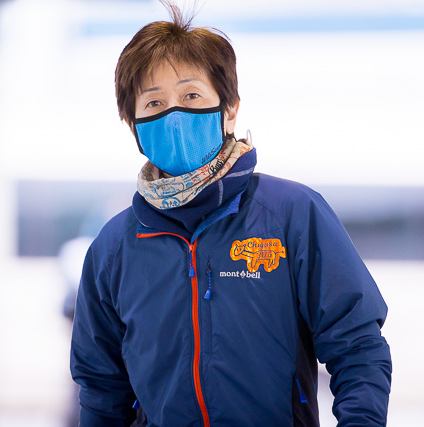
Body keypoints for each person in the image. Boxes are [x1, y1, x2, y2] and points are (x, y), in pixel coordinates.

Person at [70, 2, 392, 426]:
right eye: (154, 102)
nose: (174, 115)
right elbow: (101, 390)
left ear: (230, 108)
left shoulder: (291, 215)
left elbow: (358, 349)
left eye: (191, 95)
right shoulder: (114, 248)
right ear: (134, 124)